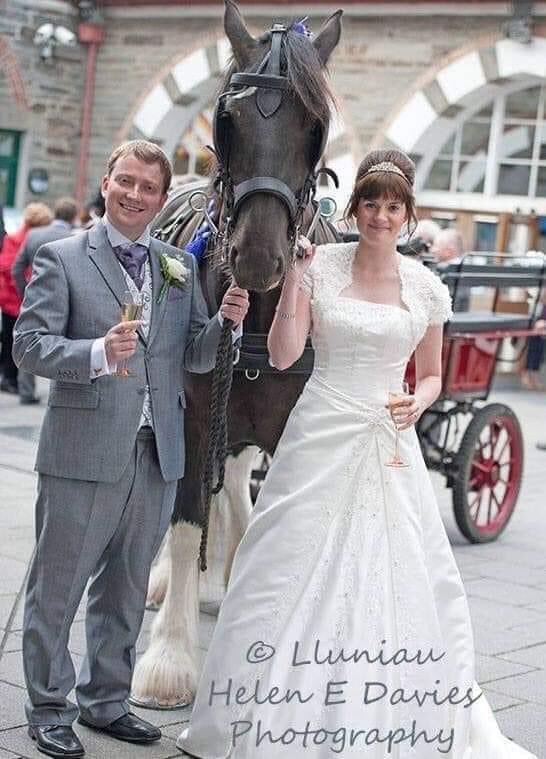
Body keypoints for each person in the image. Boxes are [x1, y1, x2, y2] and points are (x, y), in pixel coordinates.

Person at [178, 149, 536, 759]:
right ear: (355, 207)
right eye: (370, 203)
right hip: (320, 429)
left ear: (407, 215)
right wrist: (293, 279)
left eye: (392, 206)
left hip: (386, 438)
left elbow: (430, 375)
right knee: (283, 563)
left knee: (393, 573)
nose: (379, 215)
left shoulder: (425, 287)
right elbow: (287, 356)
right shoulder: (322, 266)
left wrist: (417, 403)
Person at [13, 139, 249, 759]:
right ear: (107, 182)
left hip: (158, 453)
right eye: (126, 181)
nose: (135, 195)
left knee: (123, 588)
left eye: (148, 187)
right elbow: (28, 347)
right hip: (82, 452)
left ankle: (107, 701)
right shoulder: (61, 258)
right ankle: (47, 708)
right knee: (57, 589)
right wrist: (94, 354)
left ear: (162, 197)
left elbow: (194, 353)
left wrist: (225, 322)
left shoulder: (176, 265)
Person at [12, 197, 79, 404]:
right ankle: (61, 395)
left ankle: (25, 391)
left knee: (28, 342)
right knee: (66, 348)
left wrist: (26, 293)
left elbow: (16, 268)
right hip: (68, 302)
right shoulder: (75, 239)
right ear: (74, 217)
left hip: (34, 297)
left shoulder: (34, 235)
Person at [0, 202, 53, 395]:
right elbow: (8, 267)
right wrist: (28, 288)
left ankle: (12, 379)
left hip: (20, 297)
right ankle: (9, 379)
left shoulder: (31, 238)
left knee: (14, 339)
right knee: (10, 340)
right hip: (12, 298)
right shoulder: (16, 239)